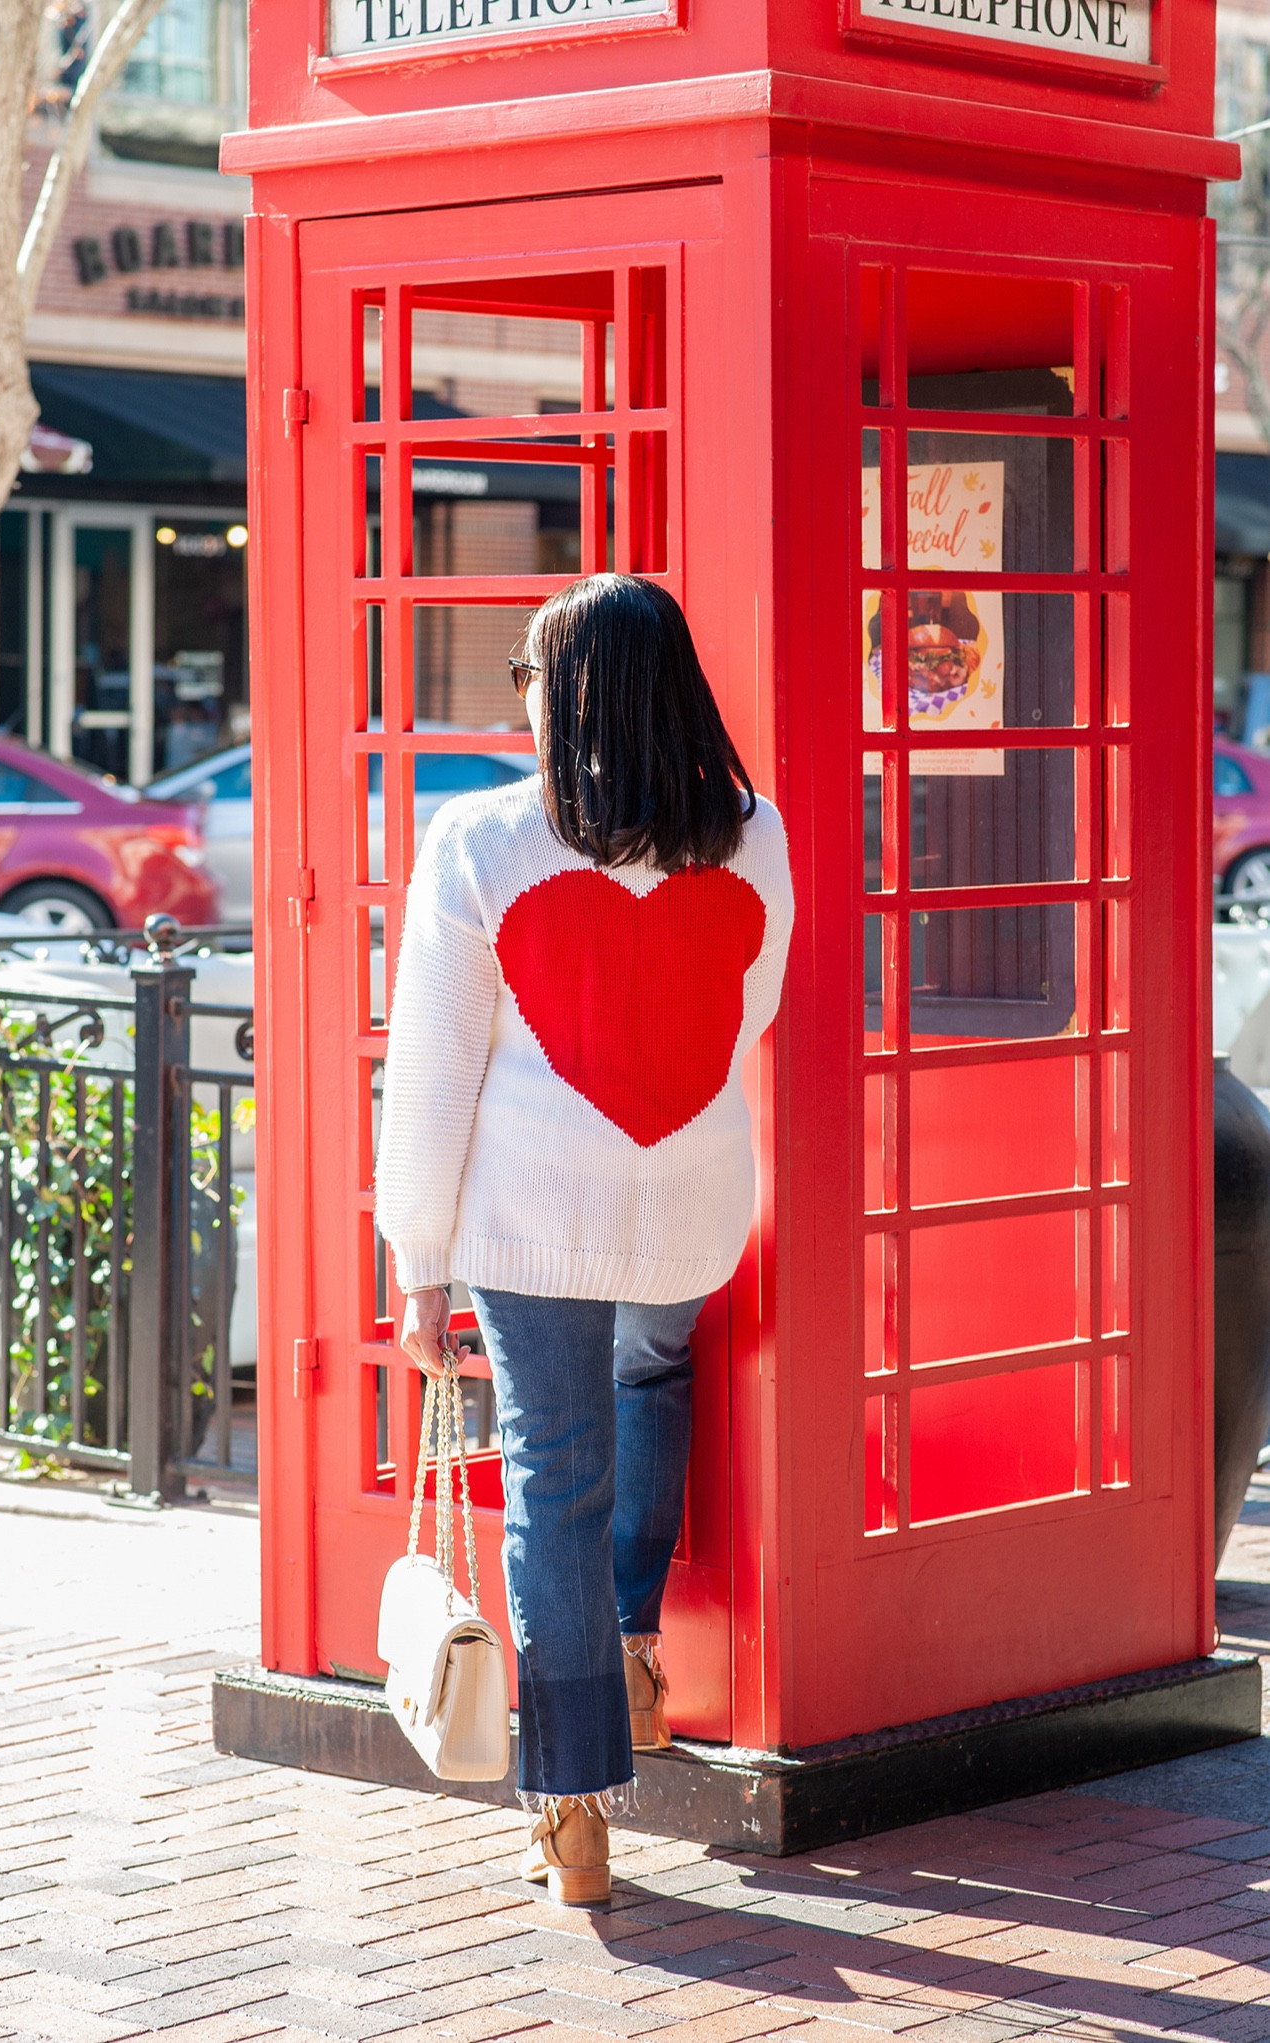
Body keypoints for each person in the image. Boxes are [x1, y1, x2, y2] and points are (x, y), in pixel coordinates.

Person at [375, 573, 794, 1906]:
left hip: (529, 1223)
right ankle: (627, 1650)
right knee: (649, 1383)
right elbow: (750, 1009)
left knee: (553, 1486)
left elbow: (434, 1071)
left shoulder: (483, 834)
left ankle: (572, 1815)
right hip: (686, 1209)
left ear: (561, 697)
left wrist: (415, 1257)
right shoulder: (750, 836)